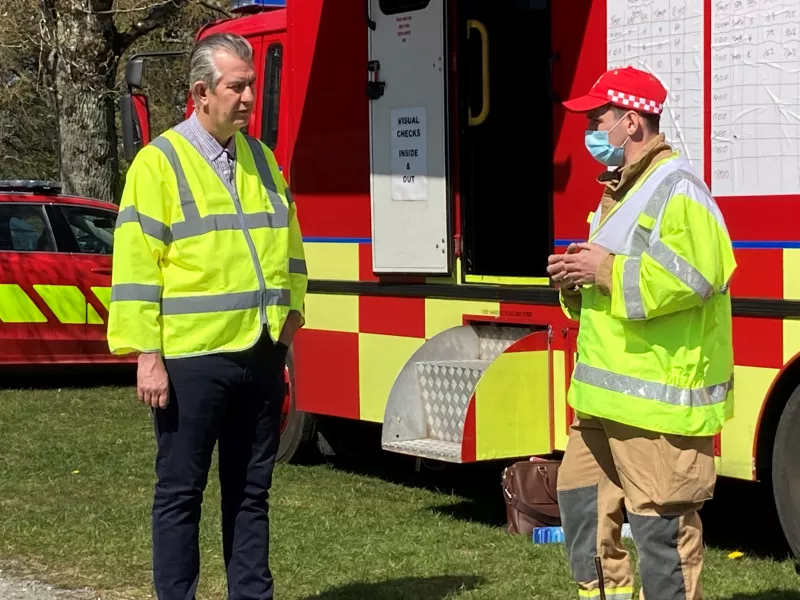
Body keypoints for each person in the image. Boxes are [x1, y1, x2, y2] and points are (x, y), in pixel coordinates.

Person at [107, 32, 307, 600]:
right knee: (181, 493)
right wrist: (148, 355)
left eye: (250, 85)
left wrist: (291, 317)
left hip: (260, 353)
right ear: (201, 92)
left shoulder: (263, 159)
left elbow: (290, 245)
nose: (248, 97)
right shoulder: (158, 163)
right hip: (191, 360)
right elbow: (137, 266)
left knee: (250, 493)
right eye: (236, 86)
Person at [547, 66, 736, 600]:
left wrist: (604, 271)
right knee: (582, 508)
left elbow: (696, 277)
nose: (589, 130)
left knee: (661, 536)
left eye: (596, 118)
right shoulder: (621, 192)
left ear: (630, 122)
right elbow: (611, 288)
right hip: (602, 402)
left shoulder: (678, 189)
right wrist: (575, 279)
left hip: (656, 405)